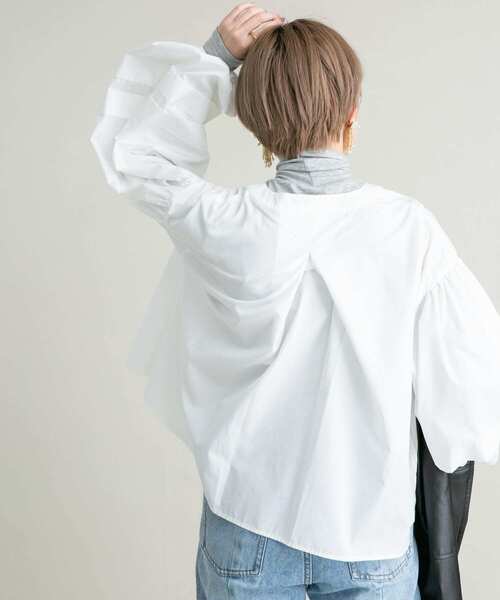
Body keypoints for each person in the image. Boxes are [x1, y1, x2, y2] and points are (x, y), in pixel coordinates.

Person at [90, 5, 500, 599]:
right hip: (369, 533)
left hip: (245, 529)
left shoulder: (225, 223)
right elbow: (469, 385)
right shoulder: (408, 231)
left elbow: (137, 156)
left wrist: (216, 58)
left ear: (254, 121)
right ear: (353, 110)